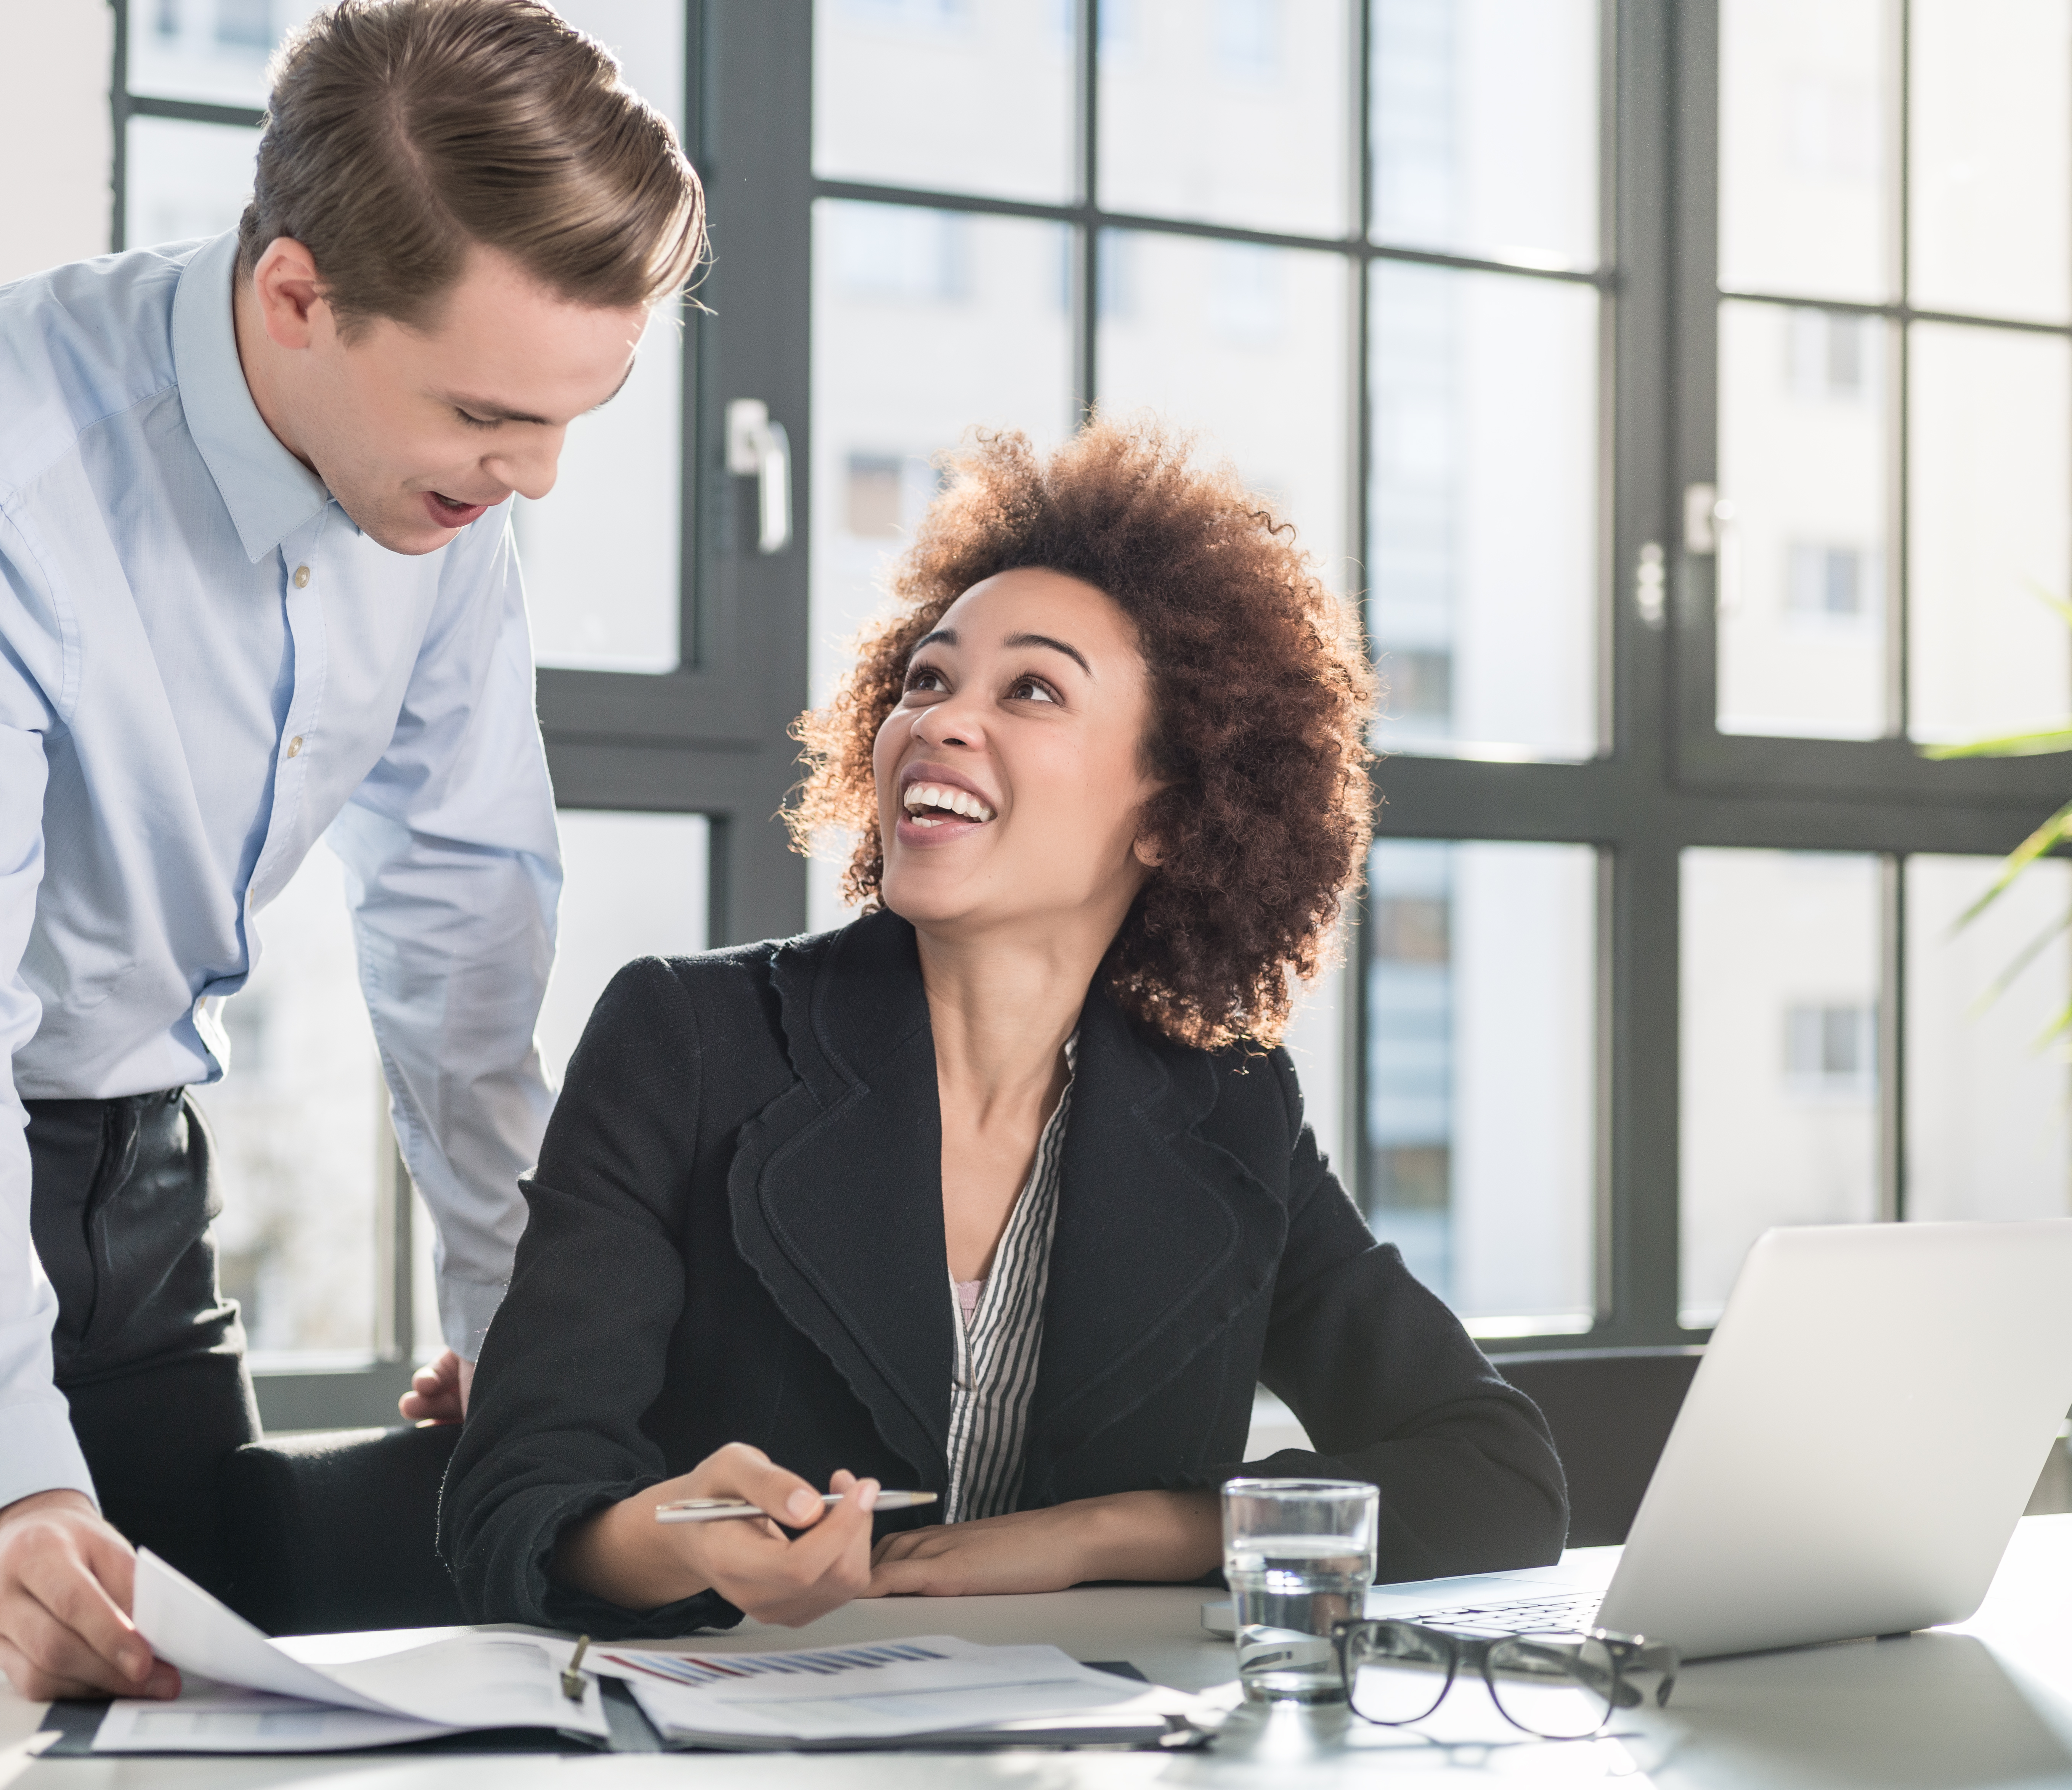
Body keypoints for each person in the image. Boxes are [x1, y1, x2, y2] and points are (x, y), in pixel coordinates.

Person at [0, 0, 701, 1701]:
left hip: (131, 1141)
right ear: (297, 296)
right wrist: (12, 1487)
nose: (541, 480)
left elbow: (461, 940)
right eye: (494, 414)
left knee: (201, 1677)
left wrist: (521, 1332)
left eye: (580, 417)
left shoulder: (451, 486)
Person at [442, 417, 1568, 1639]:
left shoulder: (1229, 1108)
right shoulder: (689, 1038)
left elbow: (1495, 1478)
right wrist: (679, 1544)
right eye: (926, 679)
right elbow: (516, 1503)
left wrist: (1122, 1531)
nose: (938, 720)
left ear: (1175, 816)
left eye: (1029, 689)